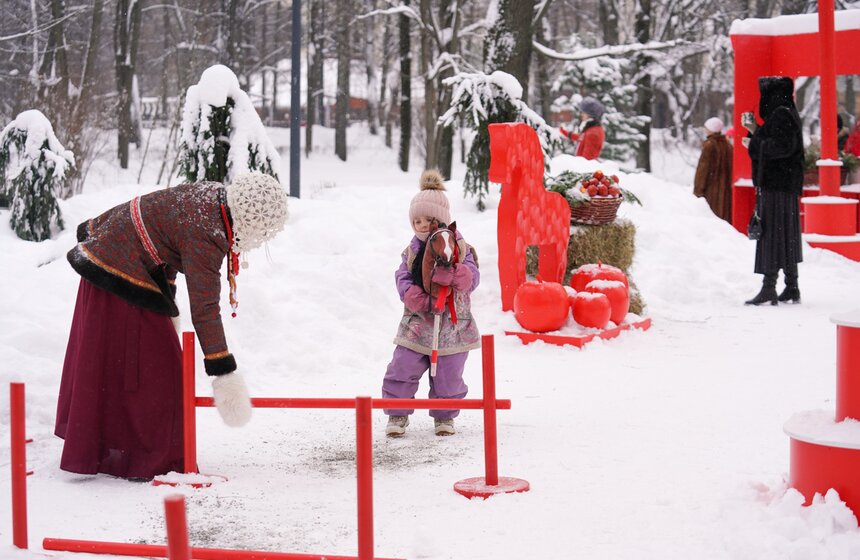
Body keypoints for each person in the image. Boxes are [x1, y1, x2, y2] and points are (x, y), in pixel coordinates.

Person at [55, 173, 289, 479]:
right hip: (116, 273)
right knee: (160, 370)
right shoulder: (209, 231)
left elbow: (164, 237)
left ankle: (119, 449)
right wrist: (223, 372)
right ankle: (148, 459)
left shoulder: (214, 198)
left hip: (115, 262)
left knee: (133, 367)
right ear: (249, 222)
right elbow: (205, 308)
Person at [382, 170, 480, 437]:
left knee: (448, 374)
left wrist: (457, 275)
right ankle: (397, 413)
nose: (422, 226)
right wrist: (412, 294)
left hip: (453, 324)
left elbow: (472, 277)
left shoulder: (461, 248)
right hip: (418, 321)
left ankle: (444, 415)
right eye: (416, 221)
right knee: (403, 365)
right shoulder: (412, 251)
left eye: (428, 220)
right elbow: (402, 275)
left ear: (442, 221)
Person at [743, 76, 804, 306]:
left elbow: (780, 147)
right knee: (786, 234)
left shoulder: (780, 114)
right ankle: (791, 286)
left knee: (771, 234)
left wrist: (754, 144)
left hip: (776, 184)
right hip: (786, 184)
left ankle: (769, 286)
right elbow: (784, 144)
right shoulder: (788, 112)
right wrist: (755, 131)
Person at [693, 117, 733, 223]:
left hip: (711, 189)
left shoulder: (709, 146)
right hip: (726, 190)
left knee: (711, 219)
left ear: (711, 129)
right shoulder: (728, 146)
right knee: (724, 220)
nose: (705, 130)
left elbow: (703, 169)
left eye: (706, 127)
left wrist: (698, 190)